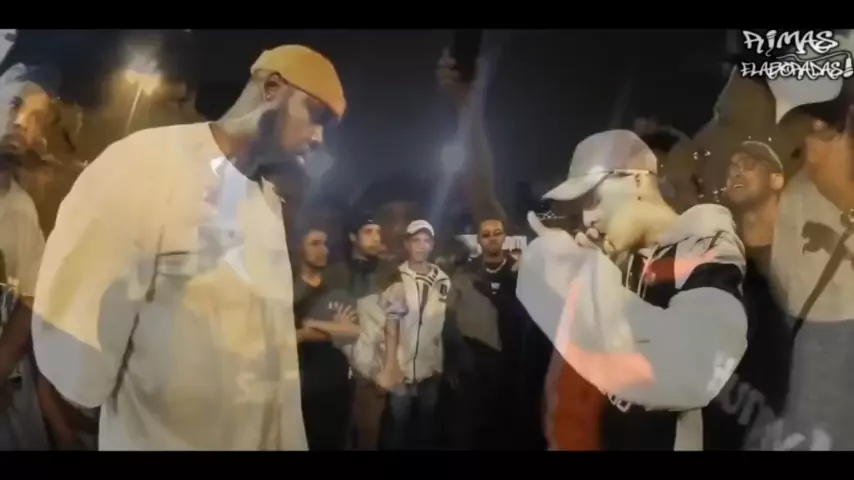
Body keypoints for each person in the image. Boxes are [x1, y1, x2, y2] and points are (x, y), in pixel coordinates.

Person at [31, 44, 346, 450]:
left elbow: (276, 370)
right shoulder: (144, 163)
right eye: (316, 116)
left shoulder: (267, 204)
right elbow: (77, 340)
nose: (319, 138)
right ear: (272, 88)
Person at [518, 129, 749, 450]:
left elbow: (698, 370)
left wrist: (583, 279)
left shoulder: (708, 248)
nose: (588, 218)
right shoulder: (623, 258)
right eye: (581, 208)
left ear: (638, 181)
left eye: (594, 200)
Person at [751, 72, 854, 451]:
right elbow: (787, 292)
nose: (811, 140)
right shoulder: (797, 192)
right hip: (804, 359)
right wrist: (762, 251)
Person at [325, 213, 404, 450]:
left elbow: (397, 321)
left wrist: (389, 368)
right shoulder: (335, 274)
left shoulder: (390, 273)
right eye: (369, 232)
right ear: (353, 236)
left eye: (378, 232)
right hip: (338, 370)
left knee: (371, 435)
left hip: (374, 370)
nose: (376, 238)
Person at [381, 220, 450, 449]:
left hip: (430, 369)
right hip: (400, 368)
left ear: (432, 245)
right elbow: (389, 323)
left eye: (426, 240)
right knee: (398, 428)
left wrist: (439, 362)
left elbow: (442, 323)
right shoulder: (395, 277)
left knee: (426, 428)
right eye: (416, 240)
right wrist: (391, 365)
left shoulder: (443, 280)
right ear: (407, 244)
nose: (421, 246)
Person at [292, 225, 360, 450]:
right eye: (315, 243)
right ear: (300, 249)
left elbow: (354, 331)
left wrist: (312, 327)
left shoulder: (336, 291)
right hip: (305, 384)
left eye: (325, 244)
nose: (324, 250)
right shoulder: (290, 293)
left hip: (338, 383)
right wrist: (335, 328)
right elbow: (290, 336)